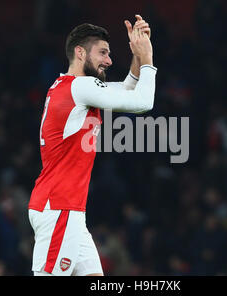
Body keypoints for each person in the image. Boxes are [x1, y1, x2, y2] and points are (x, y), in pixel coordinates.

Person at [27, 15, 157, 276]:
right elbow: (143, 102)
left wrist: (137, 54)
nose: (109, 60)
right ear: (79, 52)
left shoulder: (69, 87)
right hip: (60, 208)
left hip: (68, 209)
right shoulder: (80, 88)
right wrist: (148, 59)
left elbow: (125, 90)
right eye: (103, 53)